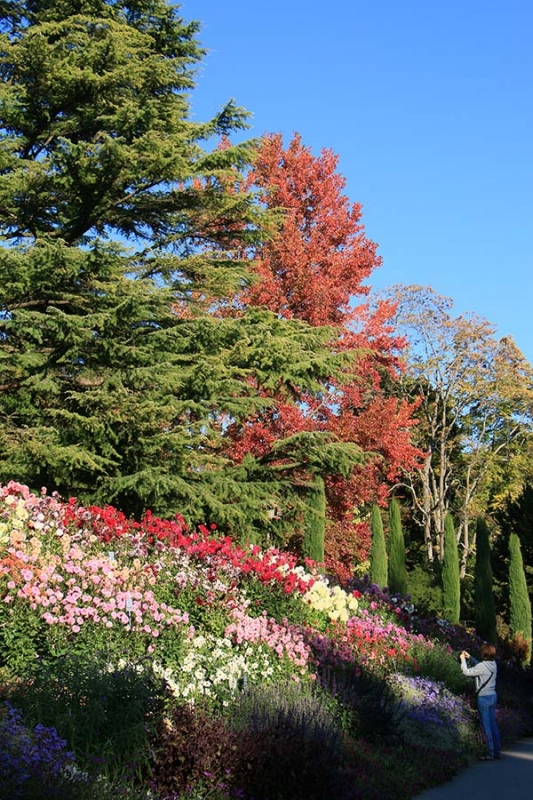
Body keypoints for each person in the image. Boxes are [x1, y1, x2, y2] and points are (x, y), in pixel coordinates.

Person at [460, 643, 502, 761]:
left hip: (483, 698)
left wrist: (463, 660)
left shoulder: (482, 666)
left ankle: (490, 752)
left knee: (486, 725)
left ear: (484, 653)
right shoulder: (493, 664)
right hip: (493, 696)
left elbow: (466, 672)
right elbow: (482, 667)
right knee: (493, 724)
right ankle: (497, 751)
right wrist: (471, 658)